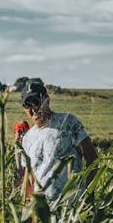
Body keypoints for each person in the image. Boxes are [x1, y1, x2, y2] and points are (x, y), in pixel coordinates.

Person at [15, 79, 97, 207]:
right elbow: (29, 178)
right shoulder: (28, 138)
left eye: (37, 101)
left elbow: (92, 158)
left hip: (71, 210)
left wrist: (88, 195)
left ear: (47, 100)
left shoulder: (69, 122)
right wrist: (24, 209)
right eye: (28, 104)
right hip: (42, 211)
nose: (33, 108)